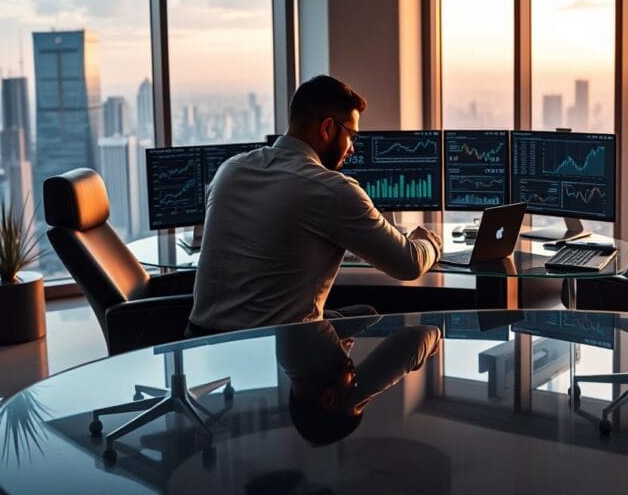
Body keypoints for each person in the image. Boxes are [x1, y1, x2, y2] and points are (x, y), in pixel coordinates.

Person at [188, 75, 442, 335]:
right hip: (275, 350)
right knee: (423, 334)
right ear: (327, 129)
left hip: (201, 342)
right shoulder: (331, 189)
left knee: (364, 315)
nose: (352, 149)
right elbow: (409, 264)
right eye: (351, 135)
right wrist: (429, 243)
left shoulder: (230, 169)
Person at [276, 318, 442, 446]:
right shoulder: (295, 352)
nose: (356, 377)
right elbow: (367, 312)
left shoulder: (303, 342)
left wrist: (360, 392)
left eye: (358, 399)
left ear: (329, 398)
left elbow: (415, 339)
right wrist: (340, 367)